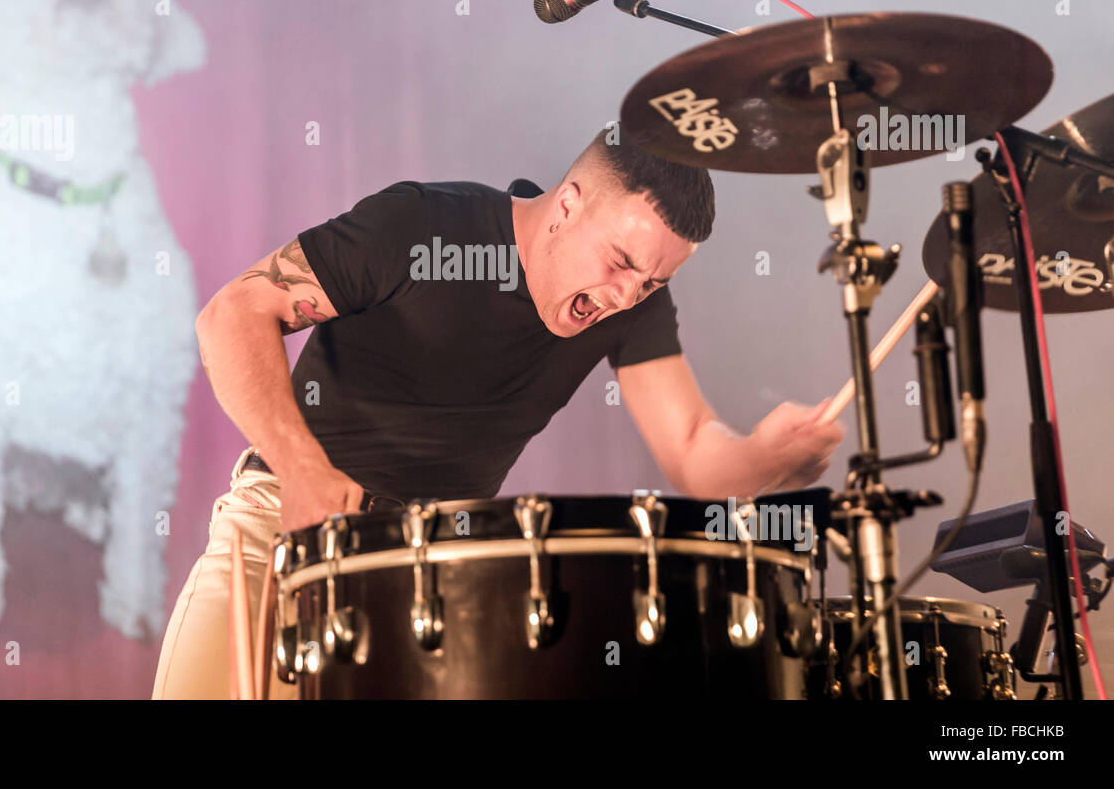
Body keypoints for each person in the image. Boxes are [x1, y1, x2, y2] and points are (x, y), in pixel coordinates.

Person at [151, 127, 844, 699]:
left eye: (653, 281)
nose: (626, 296)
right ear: (568, 205)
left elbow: (694, 449)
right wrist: (304, 471)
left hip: (431, 581)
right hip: (282, 533)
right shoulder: (424, 224)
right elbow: (233, 314)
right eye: (620, 263)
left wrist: (764, 457)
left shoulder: (629, 307)